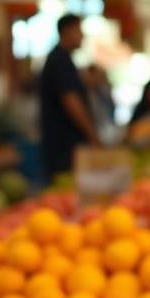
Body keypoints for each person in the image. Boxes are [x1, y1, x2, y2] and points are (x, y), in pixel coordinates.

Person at [39, 14, 99, 179]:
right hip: (64, 146)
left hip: (64, 145)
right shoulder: (60, 60)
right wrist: (92, 135)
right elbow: (70, 100)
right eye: (79, 31)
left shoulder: (63, 59)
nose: (82, 36)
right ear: (67, 31)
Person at [84, 63, 117, 144]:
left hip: (106, 128)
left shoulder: (101, 90)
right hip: (93, 131)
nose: (96, 78)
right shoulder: (85, 93)